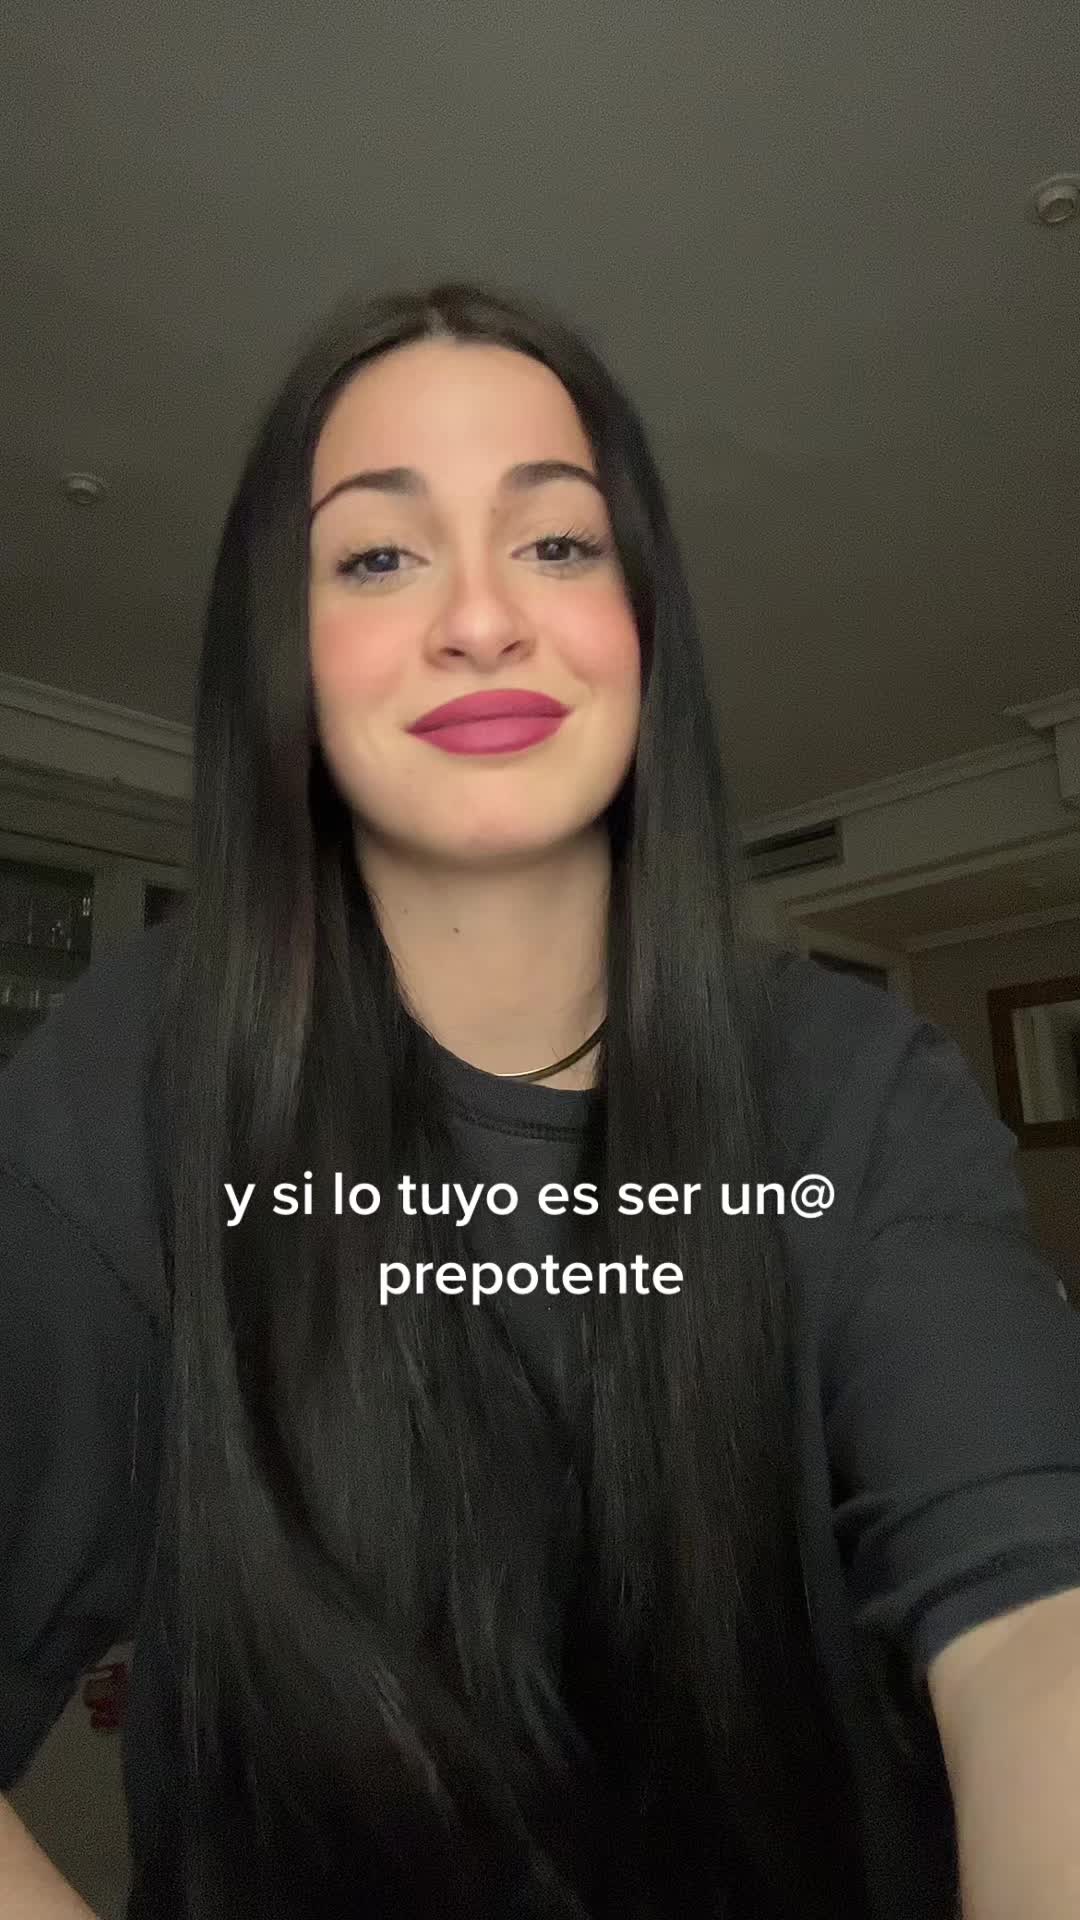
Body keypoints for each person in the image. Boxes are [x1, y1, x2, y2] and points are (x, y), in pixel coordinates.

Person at [2, 280, 1080, 1920]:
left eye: (559, 543)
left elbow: (1039, 1618)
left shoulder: (854, 1083)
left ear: (643, 622)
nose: (483, 618)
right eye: (379, 555)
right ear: (285, 652)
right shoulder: (139, 1069)